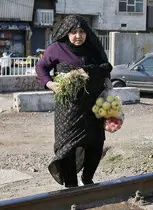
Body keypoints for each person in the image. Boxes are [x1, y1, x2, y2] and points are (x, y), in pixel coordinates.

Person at [36, 15, 113, 187]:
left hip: (93, 106)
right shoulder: (57, 48)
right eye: (73, 32)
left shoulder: (93, 48)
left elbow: (105, 67)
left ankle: (87, 179)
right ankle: (71, 186)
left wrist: (106, 83)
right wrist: (49, 83)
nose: (78, 36)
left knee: (96, 144)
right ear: (66, 33)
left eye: (81, 32)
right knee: (67, 147)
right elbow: (41, 67)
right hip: (68, 109)